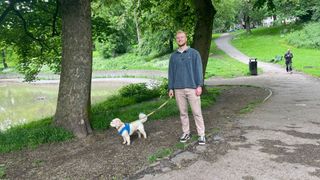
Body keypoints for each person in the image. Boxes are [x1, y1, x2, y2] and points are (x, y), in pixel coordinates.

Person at [168, 30, 206, 145]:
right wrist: (170, 88)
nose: (180, 39)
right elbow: (171, 73)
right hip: (178, 89)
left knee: (197, 112)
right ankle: (186, 132)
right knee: (183, 113)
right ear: (176, 40)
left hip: (192, 88)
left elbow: (199, 70)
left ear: (186, 39)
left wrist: (199, 85)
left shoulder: (194, 53)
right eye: (178, 38)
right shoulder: (173, 57)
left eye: (182, 37)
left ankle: (201, 135)